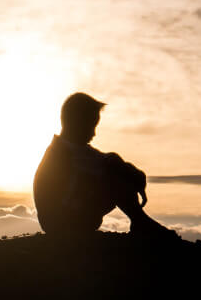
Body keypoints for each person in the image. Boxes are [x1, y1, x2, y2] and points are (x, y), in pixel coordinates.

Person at [34, 92, 177, 239]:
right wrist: (133, 175)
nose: (94, 133)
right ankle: (140, 221)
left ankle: (140, 220)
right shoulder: (62, 153)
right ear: (76, 123)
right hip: (62, 222)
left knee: (115, 167)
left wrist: (135, 175)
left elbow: (106, 159)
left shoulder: (77, 150)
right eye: (91, 126)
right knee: (114, 171)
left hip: (71, 216)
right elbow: (107, 164)